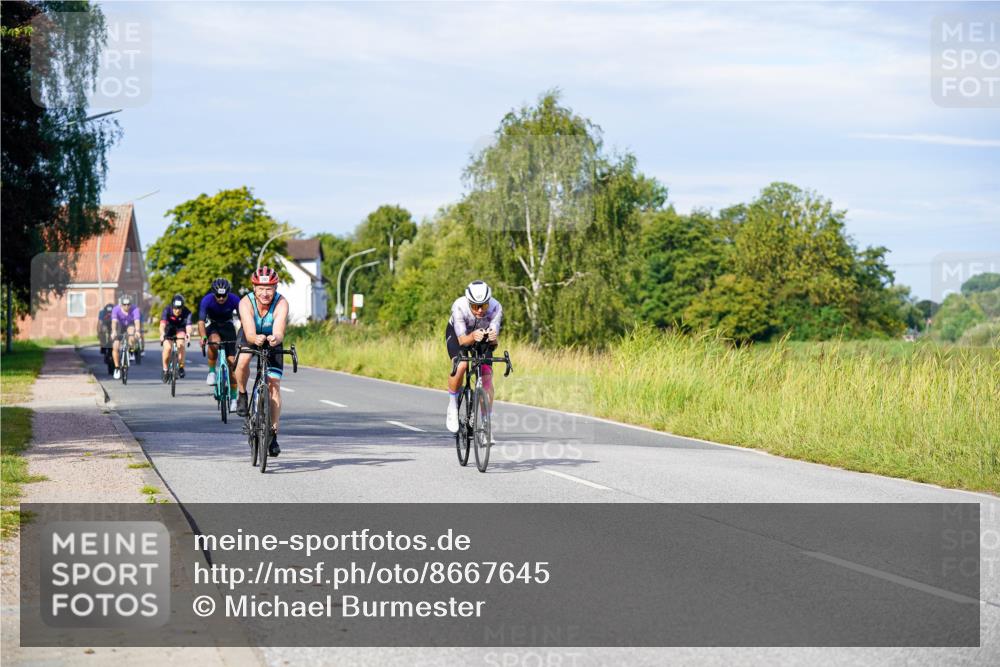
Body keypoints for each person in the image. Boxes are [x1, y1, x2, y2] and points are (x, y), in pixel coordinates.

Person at [234, 266, 289, 458]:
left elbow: (279, 327)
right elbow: (249, 330)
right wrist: (253, 337)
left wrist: (276, 338)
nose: (265, 293)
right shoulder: (245, 302)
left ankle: (273, 435)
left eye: (269, 288)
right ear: (254, 288)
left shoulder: (281, 302)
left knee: (274, 384)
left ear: (275, 288)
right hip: (250, 335)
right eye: (261, 288)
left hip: (272, 338)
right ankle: (242, 394)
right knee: (243, 361)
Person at [445, 280, 502, 433]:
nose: (479, 310)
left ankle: (485, 422)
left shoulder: (496, 307)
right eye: (475, 306)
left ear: (488, 303)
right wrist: (473, 336)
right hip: (459, 335)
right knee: (462, 365)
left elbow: (494, 344)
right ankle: (453, 405)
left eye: (483, 306)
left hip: (481, 335)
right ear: (469, 303)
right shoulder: (459, 306)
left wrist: (492, 338)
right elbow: (463, 340)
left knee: (486, 375)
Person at [198, 277, 241, 402]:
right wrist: (203, 337)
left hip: (228, 326)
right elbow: (201, 321)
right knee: (214, 341)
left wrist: (242, 337)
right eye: (218, 296)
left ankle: (233, 397)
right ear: (214, 294)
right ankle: (211, 372)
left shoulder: (235, 299)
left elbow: (243, 319)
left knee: (232, 363)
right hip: (214, 325)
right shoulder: (207, 300)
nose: (221, 298)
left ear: (228, 293)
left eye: (224, 296)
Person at [159, 293, 193, 382]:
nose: (177, 311)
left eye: (179, 308)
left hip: (180, 328)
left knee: (181, 343)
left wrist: (188, 334)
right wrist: (162, 334)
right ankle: (165, 369)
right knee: (168, 348)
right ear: (172, 306)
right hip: (169, 329)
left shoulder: (187, 312)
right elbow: (162, 324)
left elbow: (188, 326)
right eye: (175, 308)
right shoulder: (167, 310)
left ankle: (181, 366)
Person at [110, 295, 142, 380]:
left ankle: (131, 350)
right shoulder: (116, 309)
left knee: (132, 333)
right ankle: (117, 368)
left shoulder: (135, 309)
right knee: (115, 347)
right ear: (121, 304)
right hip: (119, 326)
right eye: (124, 304)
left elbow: (137, 322)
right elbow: (114, 322)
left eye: (128, 304)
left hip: (130, 325)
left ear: (131, 304)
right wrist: (113, 331)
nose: (126, 306)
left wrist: (138, 331)